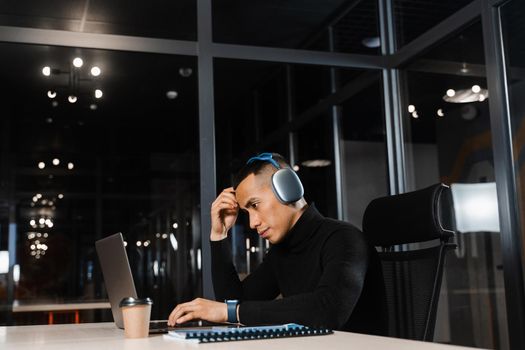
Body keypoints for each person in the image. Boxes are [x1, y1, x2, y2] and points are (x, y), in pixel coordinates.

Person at [168, 153, 387, 334]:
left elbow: (328, 310)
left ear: (287, 188)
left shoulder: (344, 238)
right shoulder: (282, 252)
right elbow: (235, 303)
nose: (252, 223)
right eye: (246, 212)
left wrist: (230, 311)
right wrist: (219, 234)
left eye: (255, 205)